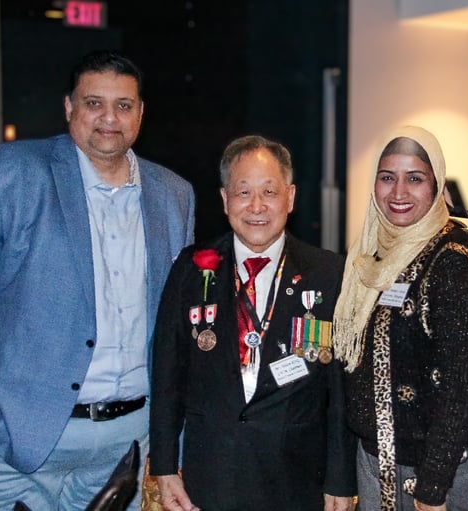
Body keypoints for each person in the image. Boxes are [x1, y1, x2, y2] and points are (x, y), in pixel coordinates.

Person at [0, 49, 195, 510]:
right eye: (94, 103)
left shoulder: (173, 194)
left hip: (126, 444)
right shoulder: (9, 173)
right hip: (12, 440)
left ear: (140, 113)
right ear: (69, 107)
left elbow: (174, 322)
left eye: (123, 105)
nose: (109, 117)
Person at [148, 134, 357, 511]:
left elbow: (341, 390)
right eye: (243, 192)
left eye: (269, 192)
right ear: (225, 199)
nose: (256, 206)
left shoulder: (329, 274)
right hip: (211, 477)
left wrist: (340, 480)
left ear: (290, 197)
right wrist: (164, 467)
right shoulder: (190, 269)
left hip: (297, 479)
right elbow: (167, 376)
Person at [332, 126, 468, 511]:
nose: (398, 192)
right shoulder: (372, 254)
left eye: (415, 179)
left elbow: (462, 387)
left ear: (437, 185)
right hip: (376, 460)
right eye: (387, 177)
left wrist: (432, 488)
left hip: (434, 471)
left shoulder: (453, 263)